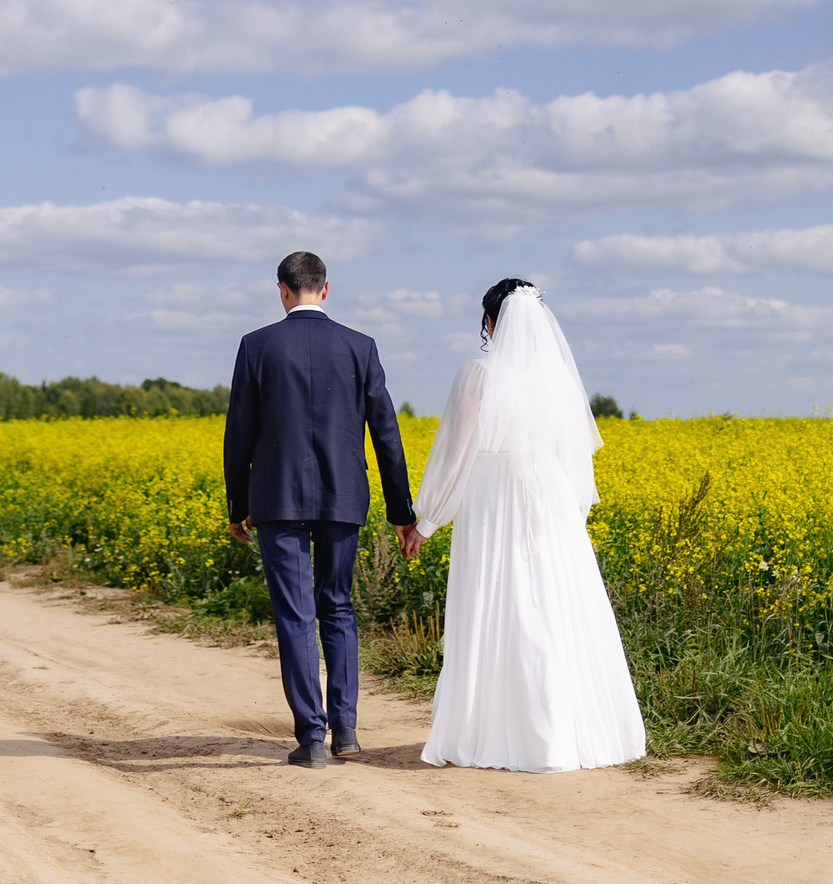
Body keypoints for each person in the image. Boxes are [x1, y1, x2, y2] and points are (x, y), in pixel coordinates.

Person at [412, 279, 646, 771]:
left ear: (491, 323)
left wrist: (426, 521)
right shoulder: (558, 379)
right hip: (552, 498)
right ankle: (571, 733)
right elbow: (575, 457)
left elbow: (453, 456)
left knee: (502, 602)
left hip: (495, 496)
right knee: (554, 604)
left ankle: (506, 733)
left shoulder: (477, 373)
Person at [223, 250, 423, 768]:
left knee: (295, 613)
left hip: (277, 500)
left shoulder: (256, 346)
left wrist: (236, 505)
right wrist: (403, 512)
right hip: (343, 498)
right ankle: (348, 731)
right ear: (325, 289)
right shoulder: (360, 347)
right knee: (337, 606)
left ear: (282, 290)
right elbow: (386, 434)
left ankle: (311, 738)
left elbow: (238, 433)